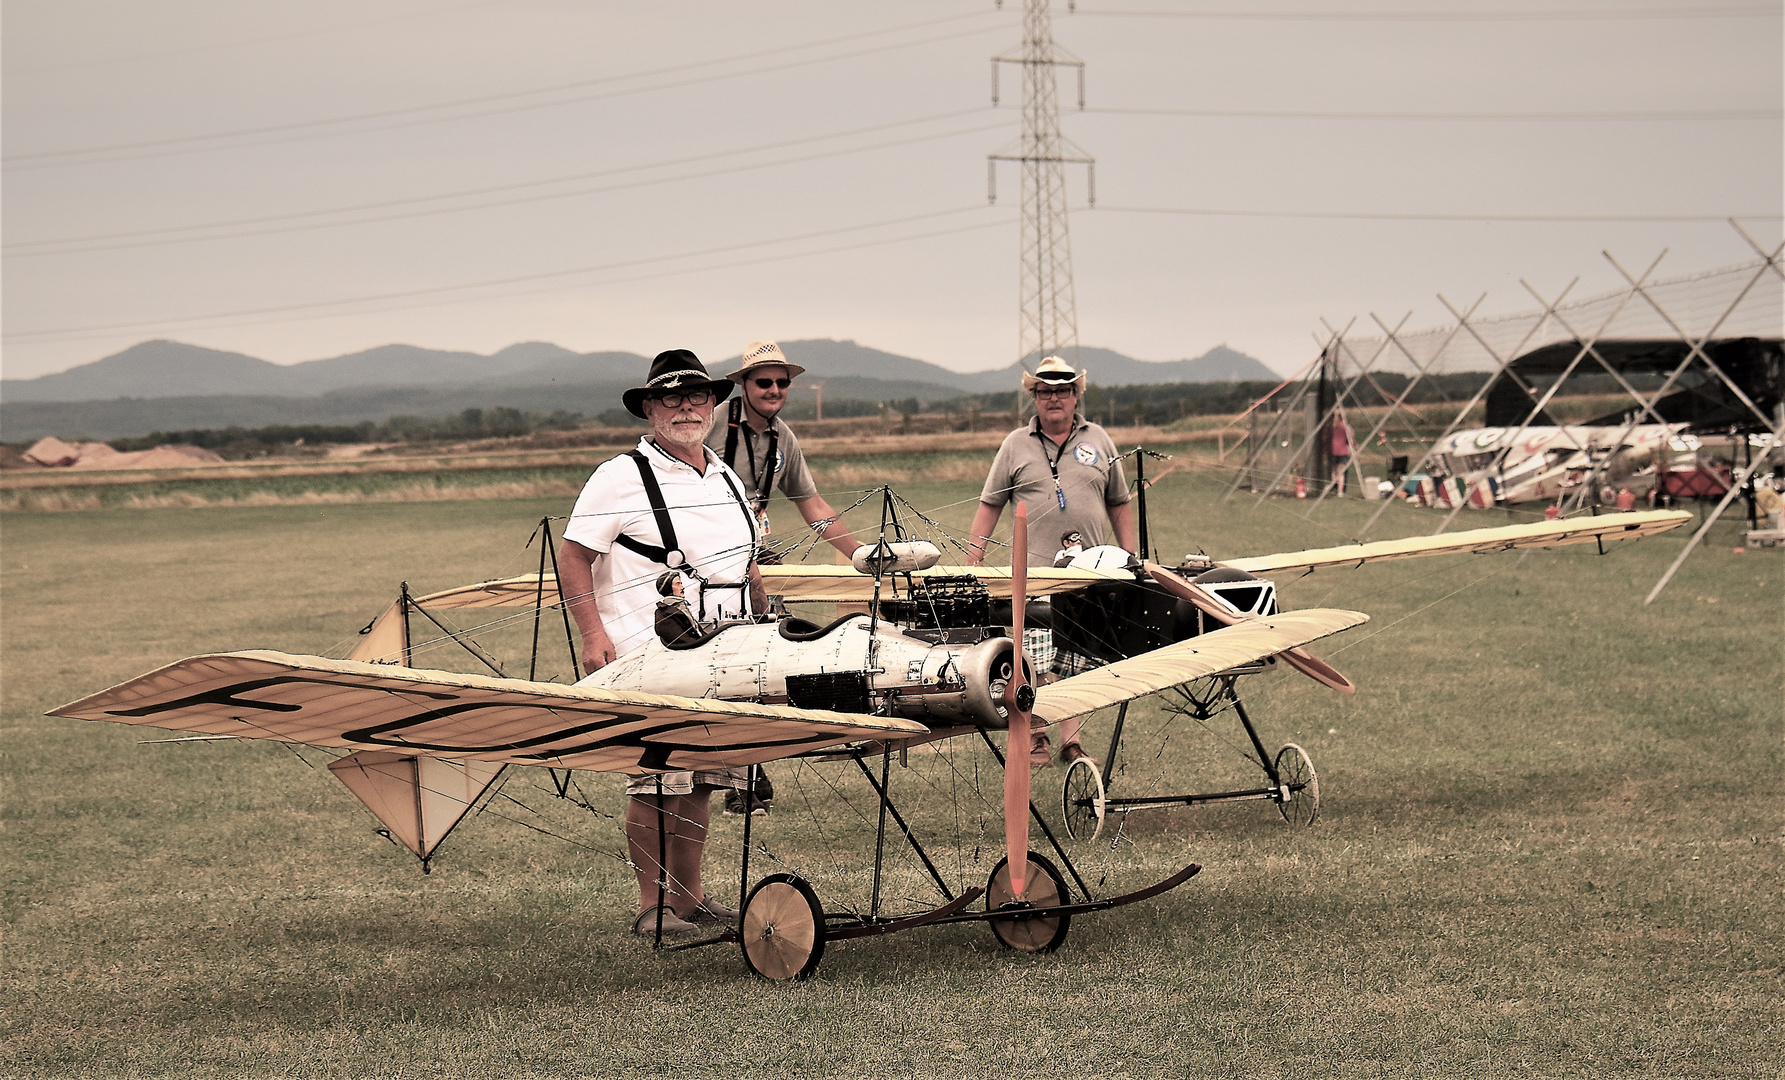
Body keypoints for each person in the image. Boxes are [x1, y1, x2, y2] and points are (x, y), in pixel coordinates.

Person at [556, 349, 766, 938]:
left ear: (715, 405)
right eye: (671, 398)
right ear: (649, 407)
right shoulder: (620, 474)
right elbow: (573, 558)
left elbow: (746, 564)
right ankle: (653, 906)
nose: (686, 408)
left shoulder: (723, 474)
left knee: (698, 777)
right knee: (654, 779)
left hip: (725, 650)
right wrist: (592, 635)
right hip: (646, 647)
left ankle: (691, 899)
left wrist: (766, 620)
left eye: (697, 396)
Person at [706, 340, 864, 815]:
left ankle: (750, 771)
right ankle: (739, 774)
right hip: (706, 562)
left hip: (756, 556)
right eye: (763, 382)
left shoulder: (783, 438)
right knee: (731, 660)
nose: (773, 389)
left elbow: (811, 505)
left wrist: (858, 553)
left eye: (781, 382)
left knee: (776, 650)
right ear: (743, 386)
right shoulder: (712, 421)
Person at [966, 355, 1137, 767]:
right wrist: (974, 562)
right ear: (1034, 397)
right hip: (1035, 576)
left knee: (1073, 661)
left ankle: (1072, 743)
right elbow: (989, 506)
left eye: (1063, 389)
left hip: (1089, 574)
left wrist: (1131, 558)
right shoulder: (1014, 445)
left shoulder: (1099, 440)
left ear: (1076, 395)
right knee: (1034, 661)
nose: (1055, 397)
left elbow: (1119, 503)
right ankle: (1036, 737)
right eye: (1046, 390)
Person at [1330, 410, 1357, 497]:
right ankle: (1340, 491)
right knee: (1341, 472)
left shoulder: (1331, 426)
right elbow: (1350, 439)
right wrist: (1354, 445)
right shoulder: (1345, 426)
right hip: (1342, 451)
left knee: (1334, 471)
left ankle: (1334, 487)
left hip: (1333, 451)